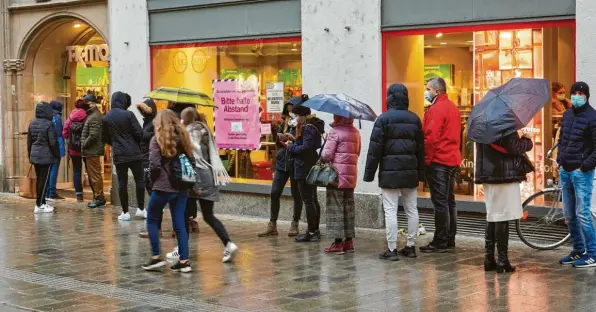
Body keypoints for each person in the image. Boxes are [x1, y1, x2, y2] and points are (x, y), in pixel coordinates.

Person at [168, 107, 239, 263]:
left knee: (184, 215)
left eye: (182, 118)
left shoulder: (190, 133)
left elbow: (192, 158)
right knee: (208, 215)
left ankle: (181, 249)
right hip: (210, 176)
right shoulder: (205, 129)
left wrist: (195, 185)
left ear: (185, 119)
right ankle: (228, 244)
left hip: (195, 177)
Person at [364, 84, 424, 261]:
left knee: (390, 210)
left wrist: (369, 174)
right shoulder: (415, 119)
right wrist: (421, 174)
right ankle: (411, 246)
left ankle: (392, 249)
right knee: (411, 209)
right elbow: (421, 149)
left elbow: (375, 149)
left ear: (389, 98)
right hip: (410, 171)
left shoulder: (383, 120)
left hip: (389, 173)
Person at [141, 110, 196, 273]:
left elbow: (154, 165)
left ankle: (156, 257)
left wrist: (152, 182)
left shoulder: (156, 140)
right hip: (181, 186)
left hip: (163, 187)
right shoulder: (184, 138)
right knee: (179, 223)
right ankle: (184, 261)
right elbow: (192, 160)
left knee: (151, 218)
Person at [475, 132, 533, 273]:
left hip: (488, 174)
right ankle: (502, 260)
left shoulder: (482, 122)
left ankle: (489, 259)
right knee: (503, 216)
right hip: (503, 174)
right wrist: (527, 140)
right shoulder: (504, 121)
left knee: (493, 215)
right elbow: (514, 146)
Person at [557, 82, 596, 268]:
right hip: (566, 170)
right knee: (569, 215)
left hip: (581, 173)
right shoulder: (567, 115)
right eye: (574, 93)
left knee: (583, 214)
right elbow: (561, 139)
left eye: (581, 93)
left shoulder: (592, 117)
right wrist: (560, 161)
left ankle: (593, 254)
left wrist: (585, 166)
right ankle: (578, 250)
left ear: (587, 96)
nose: (577, 96)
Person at [420, 77, 462, 253]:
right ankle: (450, 236)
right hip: (452, 159)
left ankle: (440, 240)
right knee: (449, 201)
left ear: (437, 91)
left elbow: (430, 137)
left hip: (439, 160)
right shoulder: (453, 108)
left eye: (428, 89)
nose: (426, 92)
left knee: (440, 203)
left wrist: (427, 160)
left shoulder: (436, 110)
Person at [258, 98, 304, 237]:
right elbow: (278, 144)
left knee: (296, 194)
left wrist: (294, 139)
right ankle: (272, 225)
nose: (290, 111)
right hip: (282, 161)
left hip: (296, 162)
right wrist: (280, 137)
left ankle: (295, 223)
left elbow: (304, 144)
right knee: (275, 192)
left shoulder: (303, 124)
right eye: (288, 109)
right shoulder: (284, 122)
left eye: (292, 109)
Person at [285, 101, 325, 243]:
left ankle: (312, 232)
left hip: (304, 166)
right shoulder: (312, 126)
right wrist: (295, 140)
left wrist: (291, 147)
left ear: (301, 115)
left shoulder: (307, 127)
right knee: (312, 199)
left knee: (308, 200)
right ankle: (315, 230)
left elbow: (306, 147)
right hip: (310, 164)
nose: (295, 118)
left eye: (296, 115)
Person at [321, 115, 361, 254]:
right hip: (350, 176)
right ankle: (349, 242)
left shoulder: (335, 132)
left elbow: (326, 156)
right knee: (348, 209)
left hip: (336, 176)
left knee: (336, 209)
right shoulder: (356, 132)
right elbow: (358, 152)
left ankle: (338, 243)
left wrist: (326, 141)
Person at [102, 91, 145, 221]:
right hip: (134, 153)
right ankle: (141, 209)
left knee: (122, 183)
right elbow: (139, 133)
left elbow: (104, 138)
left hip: (119, 154)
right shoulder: (128, 114)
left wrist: (115, 143)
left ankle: (125, 212)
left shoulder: (105, 118)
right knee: (139, 180)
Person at [27, 102, 59, 214]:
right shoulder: (49, 124)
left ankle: (42, 202)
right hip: (45, 156)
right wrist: (57, 154)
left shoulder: (32, 123)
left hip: (35, 156)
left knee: (40, 179)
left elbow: (29, 142)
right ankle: (39, 204)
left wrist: (30, 156)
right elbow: (53, 142)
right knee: (44, 180)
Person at [137, 99, 160, 238]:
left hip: (149, 160)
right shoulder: (148, 122)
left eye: (145, 110)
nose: (143, 113)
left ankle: (155, 229)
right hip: (145, 158)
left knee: (153, 195)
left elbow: (154, 139)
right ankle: (156, 228)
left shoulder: (154, 123)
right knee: (152, 194)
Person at [81, 95, 106, 208]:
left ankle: (99, 197)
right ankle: (97, 196)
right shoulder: (92, 115)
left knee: (95, 175)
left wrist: (84, 144)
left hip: (92, 150)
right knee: (93, 175)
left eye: (86, 102)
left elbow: (93, 135)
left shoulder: (95, 116)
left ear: (91, 103)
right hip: (90, 150)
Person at [63, 99, 87, 202]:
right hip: (85, 148)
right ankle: (96, 194)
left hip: (73, 149)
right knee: (90, 170)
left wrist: (70, 139)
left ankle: (79, 195)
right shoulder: (87, 117)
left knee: (77, 170)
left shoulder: (70, 118)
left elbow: (64, 133)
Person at [46, 100, 66, 201]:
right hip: (56, 146)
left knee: (49, 170)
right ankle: (52, 193)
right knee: (54, 169)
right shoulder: (57, 117)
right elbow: (58, 133)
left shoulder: (47, 115)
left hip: (47, 146)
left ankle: (47, 192)